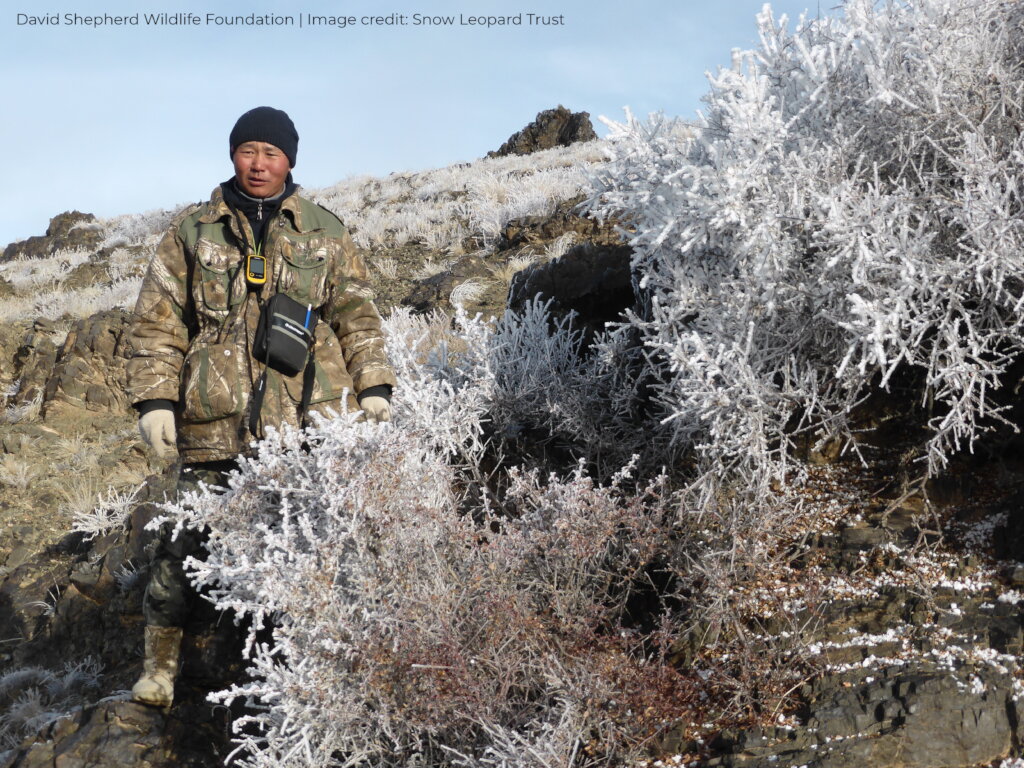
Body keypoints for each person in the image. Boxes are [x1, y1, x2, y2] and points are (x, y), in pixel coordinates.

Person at [125, 106, 396, 707]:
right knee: (182, 544)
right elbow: (157, 321)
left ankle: (307, 680)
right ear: (232, 156)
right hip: (211, 422)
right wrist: (156, 400)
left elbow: (357, 314)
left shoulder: (325, 230)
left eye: (271, 153)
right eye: (248, 150)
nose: (259, 163)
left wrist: (374, 387)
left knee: (311, 550)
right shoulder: (193, 231)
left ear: (290, 160)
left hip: (308, 426)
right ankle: (159, 670)